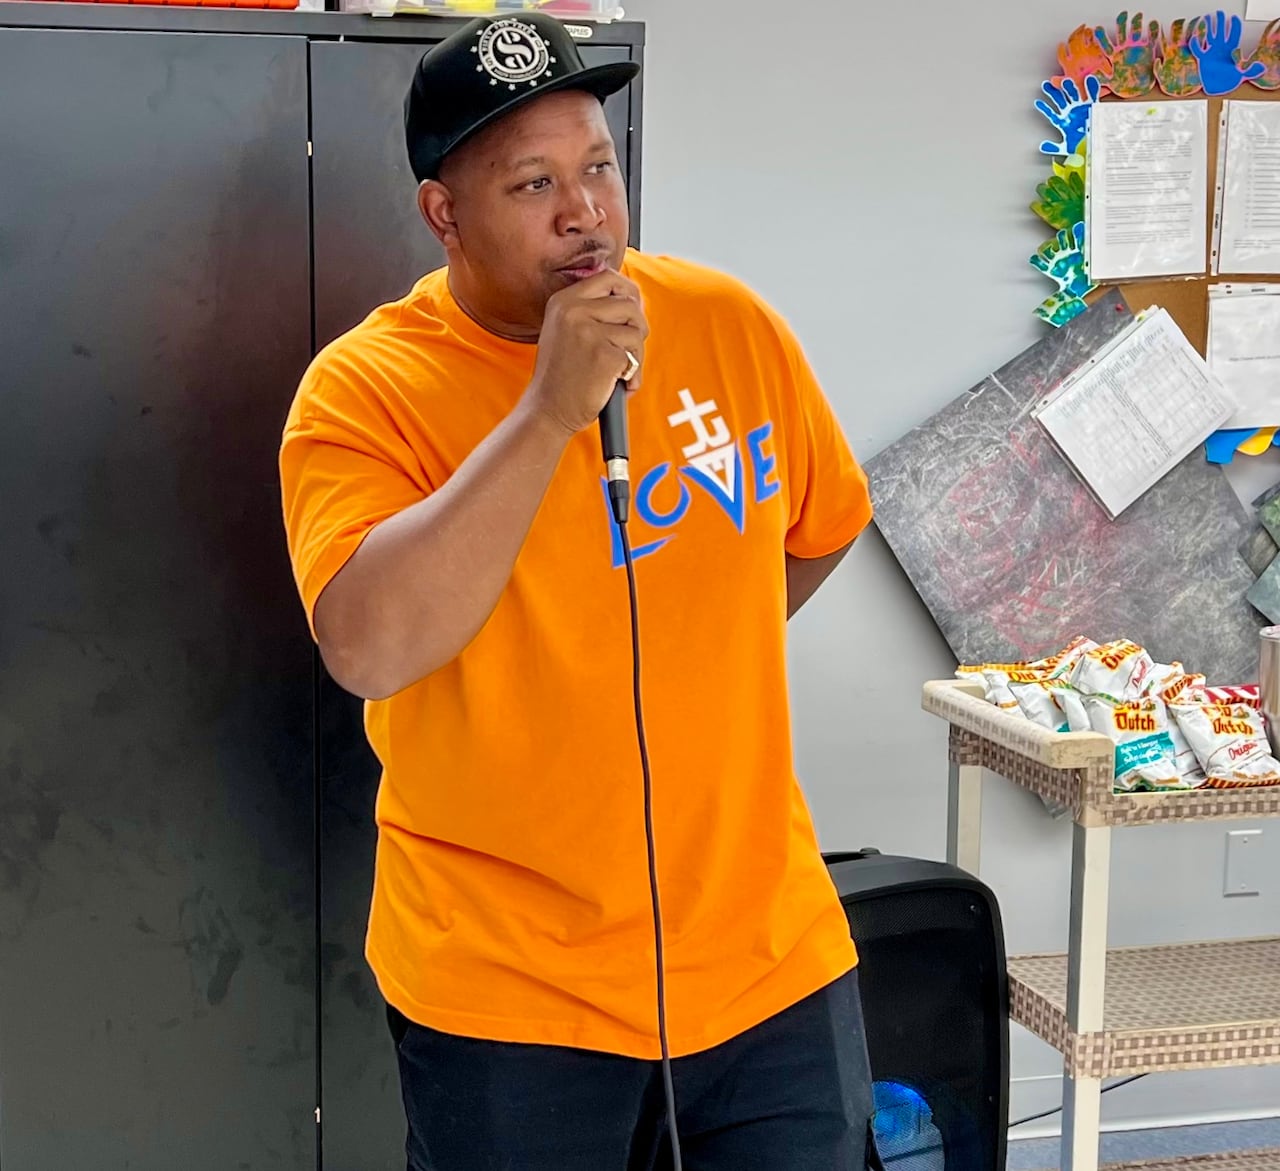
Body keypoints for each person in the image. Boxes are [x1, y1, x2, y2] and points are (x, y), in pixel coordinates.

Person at [279, 12, 880, 1170]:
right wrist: (548, 409)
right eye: (533, 183)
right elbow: (365, 644)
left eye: (598, 166)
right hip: (508, 995)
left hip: (767, 961)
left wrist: (685, 648)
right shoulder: (363, 391)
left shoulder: (725, 323)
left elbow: (820, 524)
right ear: (443, 215)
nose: (584, 213)